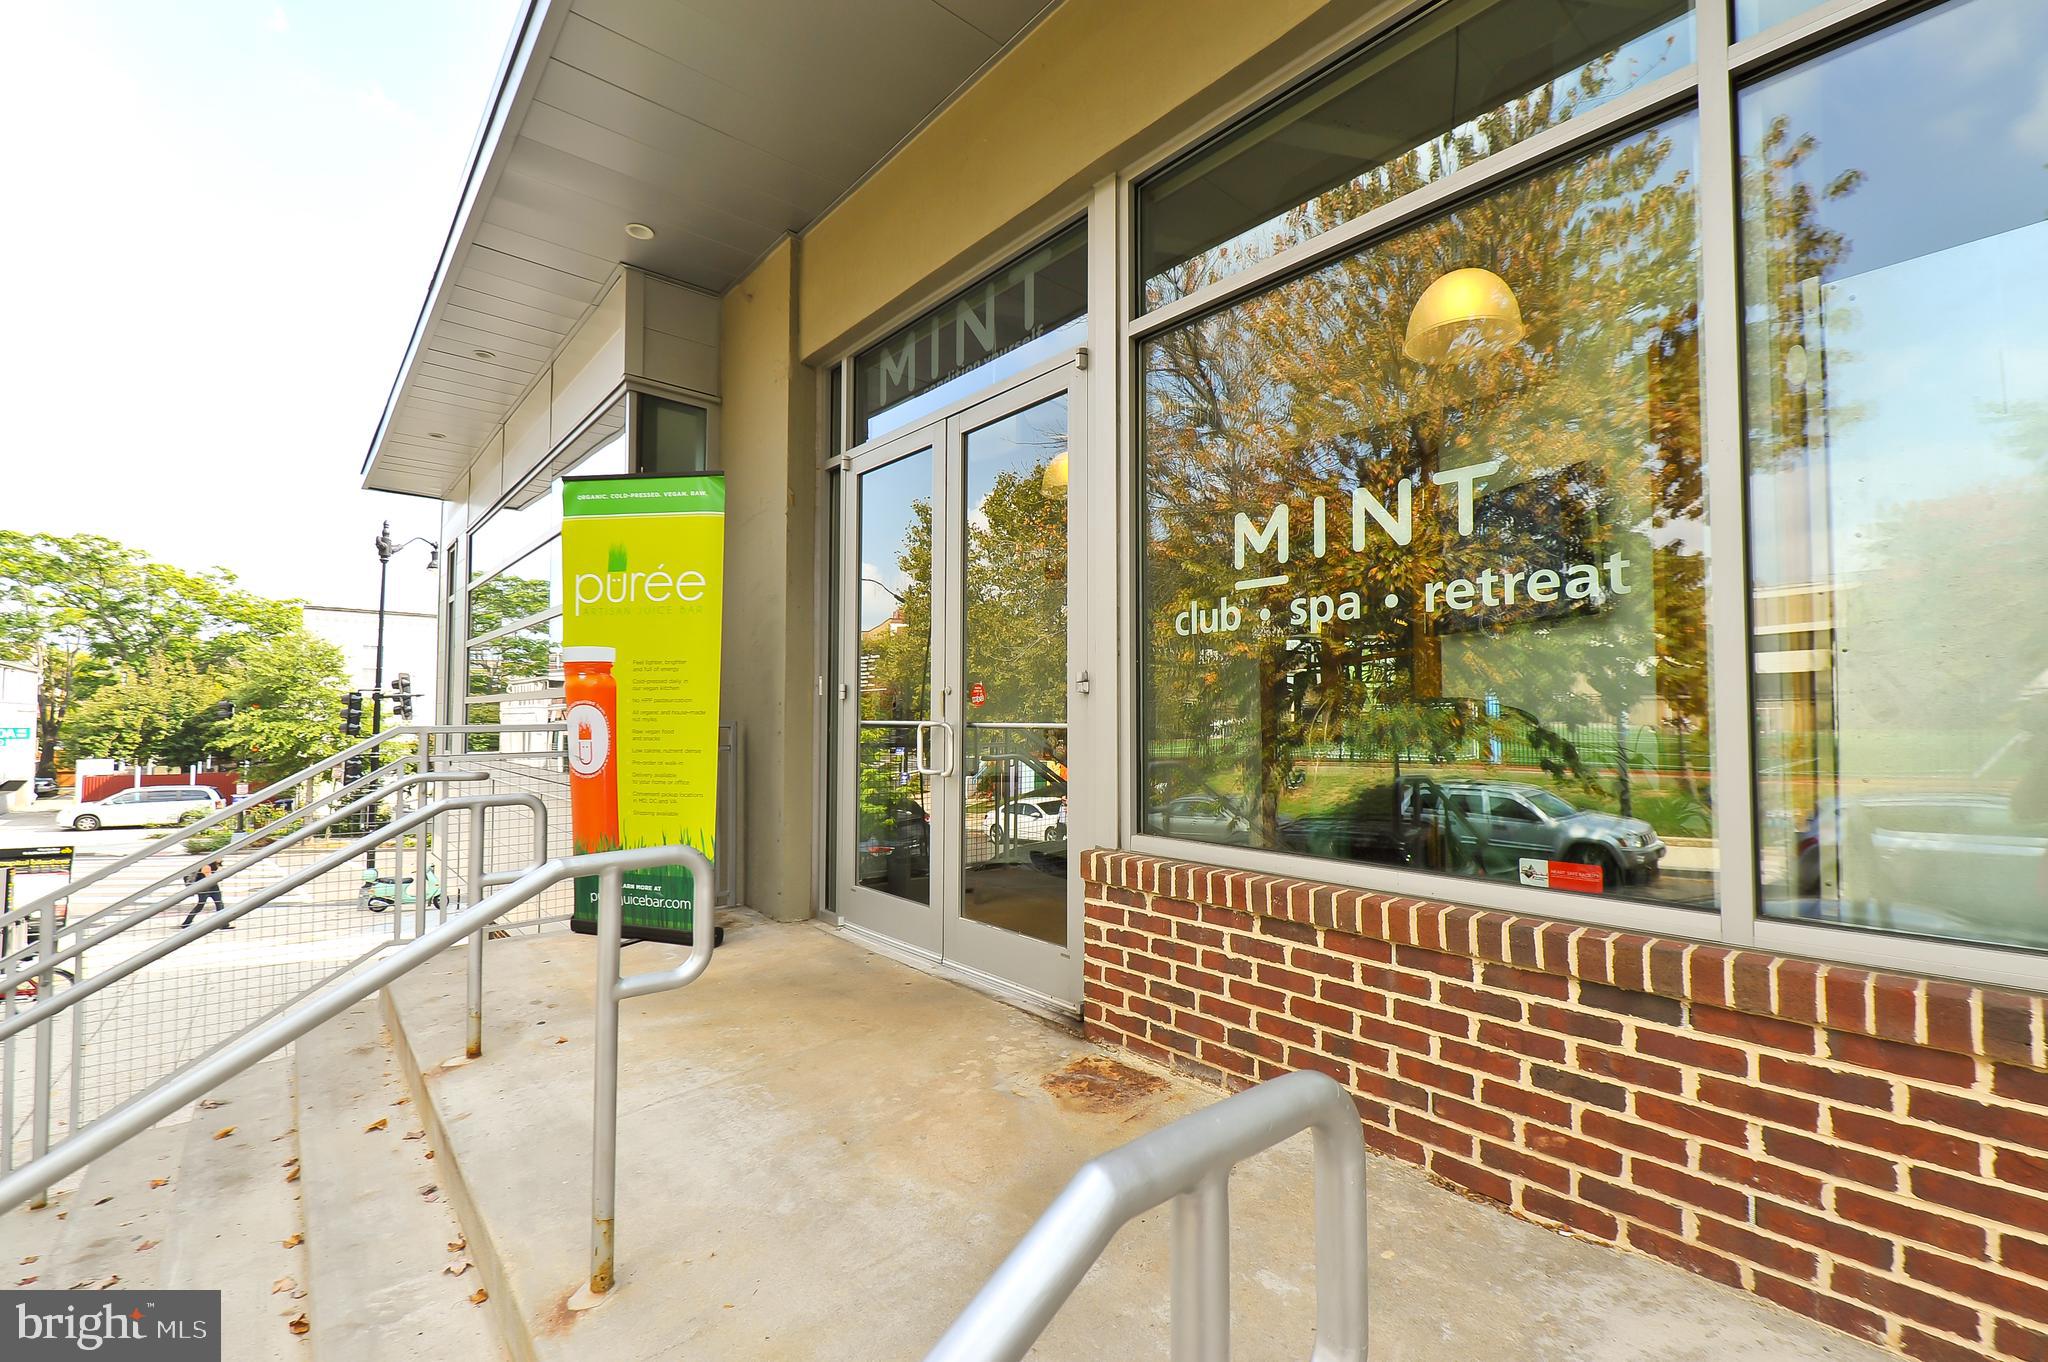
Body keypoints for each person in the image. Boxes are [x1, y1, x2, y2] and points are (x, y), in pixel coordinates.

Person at [179, 860, 233, 929]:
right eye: (219, 857)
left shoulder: (216, 865)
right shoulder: (206, 866)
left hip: (214, 887)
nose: (221, 858)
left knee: (220, 904)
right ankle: (186, 923)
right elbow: (209, 878)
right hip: (204, 888)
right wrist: (219, 872)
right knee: (200, 905)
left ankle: (224, 924)